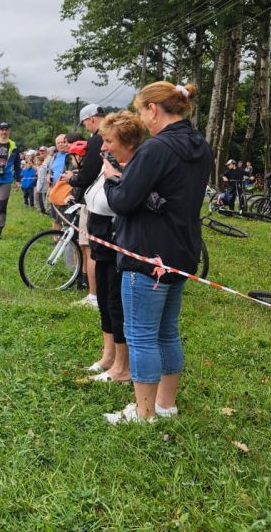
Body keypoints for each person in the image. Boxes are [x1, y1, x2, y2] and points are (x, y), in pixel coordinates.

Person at [102, 82, 212, 424]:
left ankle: (144, 411)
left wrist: (112, 179)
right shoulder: (200, 146)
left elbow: (123, 201)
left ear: (153, 109)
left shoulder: (155, 148)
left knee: (141, 334)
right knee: (167, 331)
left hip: (146, 254)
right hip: (182, 249)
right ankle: (166, 403)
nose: (140, 118)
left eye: (140, 111)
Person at [83, 111, 146, 383]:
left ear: (127, 142)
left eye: (109, 141)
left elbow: (122, 200)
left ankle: (122, 365)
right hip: (100, 235)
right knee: (105, 298)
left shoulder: (132, 168)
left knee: (115, 302)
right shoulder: (110, 162)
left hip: (116, 238)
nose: (104, 146)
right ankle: (108, 355)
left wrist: (112, 178)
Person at [68, 103, 106, 308]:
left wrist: (72, 179)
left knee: (90, 248)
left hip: (94, 200)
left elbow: (88, 174)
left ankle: (94, 295)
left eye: (85, 124)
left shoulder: (96, 140)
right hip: (112, 198)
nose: (85, 128)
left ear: (92, 119)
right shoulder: (115, 133)